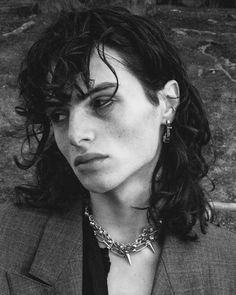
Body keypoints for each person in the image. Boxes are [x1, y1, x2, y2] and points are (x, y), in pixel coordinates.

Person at [0, 6, 235, 295]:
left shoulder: (227, 265)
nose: (75, 134)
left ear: (167, 103)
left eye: (102, 102)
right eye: (59, 114)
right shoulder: (7, 240)